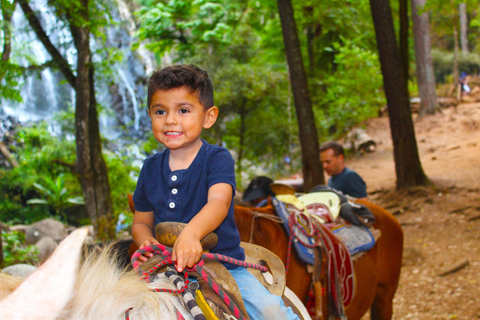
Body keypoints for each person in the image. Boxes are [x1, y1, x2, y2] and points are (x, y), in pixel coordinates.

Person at [132, 64, 299, 320]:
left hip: (223, 264)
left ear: (208, 117)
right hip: (163, 266)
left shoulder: (217, 159)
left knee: (271, 311)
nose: (171, 120)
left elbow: (219, 203)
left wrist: (191, 234)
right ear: (150, 115)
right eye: (160, 111)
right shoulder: (149, 168)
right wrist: (146, 240)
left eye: (184, 110)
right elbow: (142, 221)